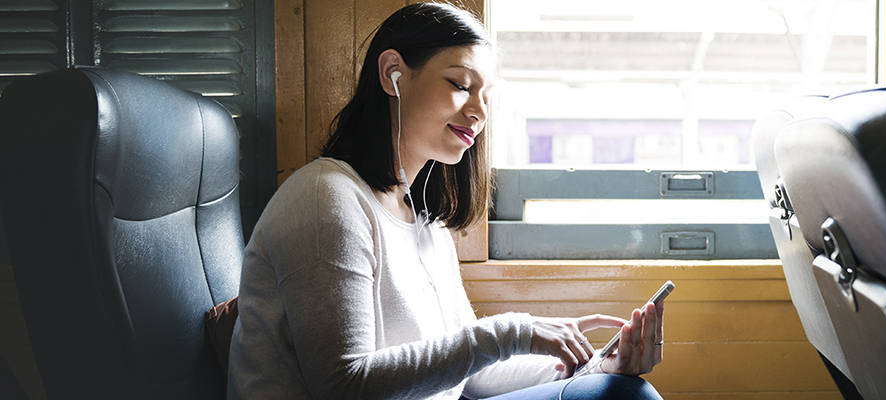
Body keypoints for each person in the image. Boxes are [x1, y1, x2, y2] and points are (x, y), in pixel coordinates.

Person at [227, 3, 665, 399]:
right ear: (392, 73)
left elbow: (474, 377)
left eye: (486, 98)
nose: (479, 112)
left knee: (616, 389)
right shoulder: (325, 198)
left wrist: (592, 366)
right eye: (460, 84)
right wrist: (512, 332)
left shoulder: (426, 223)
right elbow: (343, 384)